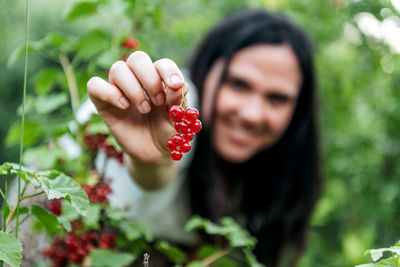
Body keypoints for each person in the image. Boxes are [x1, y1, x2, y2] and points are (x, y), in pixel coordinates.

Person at [86, 8, 322, 267]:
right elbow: (158, 167)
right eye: (238, 84)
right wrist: (153, 160)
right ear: (207, 68)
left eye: (277, 98)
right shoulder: (174, 109)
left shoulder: (278, 167)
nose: (252, 115)